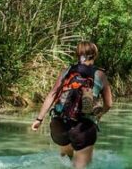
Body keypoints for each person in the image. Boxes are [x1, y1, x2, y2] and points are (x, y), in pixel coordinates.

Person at [31, 41, 113, 169]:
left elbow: (52, 95)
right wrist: (100, 114)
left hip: (59, 124)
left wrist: (39, 119)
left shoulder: (66, 71)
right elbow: (109, 104)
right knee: (80, 166)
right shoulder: (100, 75)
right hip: (83, 128)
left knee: (65, 161)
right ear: (95, 55)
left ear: (77, 55)